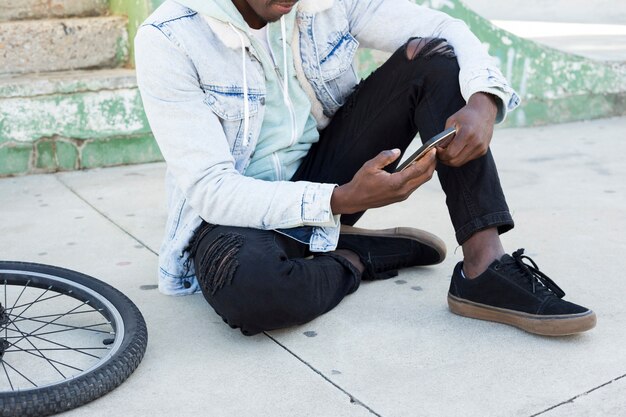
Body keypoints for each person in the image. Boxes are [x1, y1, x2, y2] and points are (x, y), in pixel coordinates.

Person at [135, 0, 596, 336]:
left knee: (433, 59)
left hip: (325, 173)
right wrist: (342, 201)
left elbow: (444, 26)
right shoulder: (170, 37)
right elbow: (212, 189)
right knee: (260, 296)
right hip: (233, 215)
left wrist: (484, 100)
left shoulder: (324, 4)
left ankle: (484, 267)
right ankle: (351, 255)